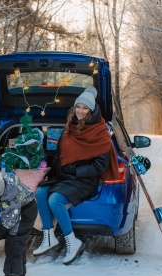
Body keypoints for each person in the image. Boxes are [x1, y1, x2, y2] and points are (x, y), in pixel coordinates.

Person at [32, 86, 119, 265]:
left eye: (85, 108)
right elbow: (61, 152)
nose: (80, 111)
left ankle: (73, 241)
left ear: (91, 110)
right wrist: (54, 168)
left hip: (85, 180)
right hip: (66, 176)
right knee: (41, 192)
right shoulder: (71, 124)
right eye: (78, 107)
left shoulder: (100, 132)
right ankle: (48, 236)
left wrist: (75, 170)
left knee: (55, 200)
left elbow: (100, 165)